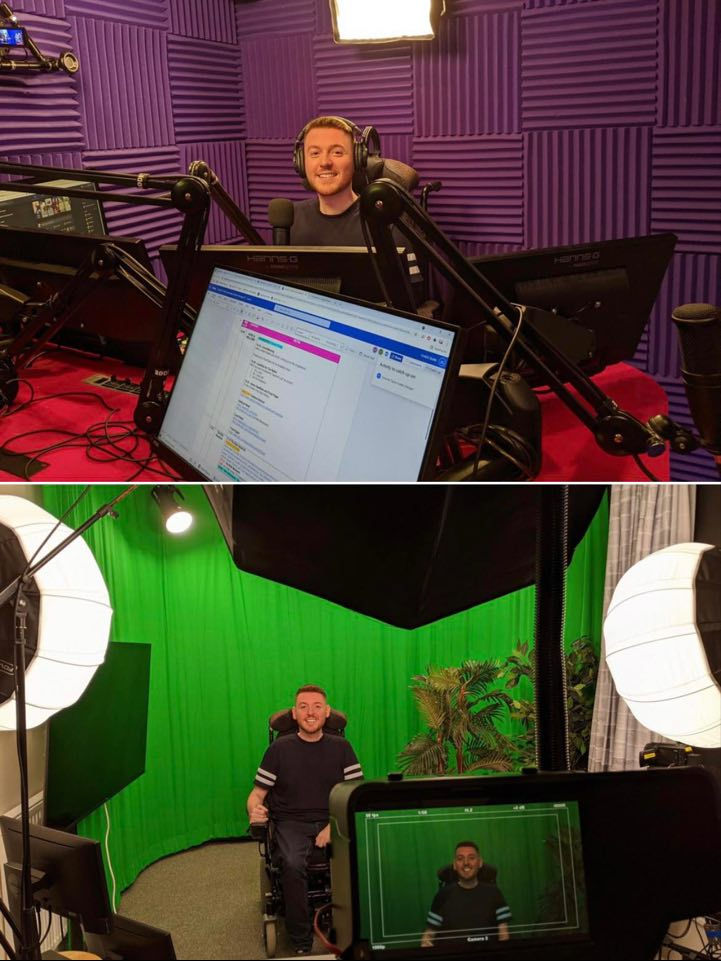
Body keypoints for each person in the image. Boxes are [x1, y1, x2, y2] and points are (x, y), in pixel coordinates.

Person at [247, 684, 363, 955]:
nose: (310, 713)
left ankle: (352, 927)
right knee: (291, 862)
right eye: (303, 707)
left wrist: (332, 827)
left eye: (317, 707)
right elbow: (257, 794)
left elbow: (355, 794)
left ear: (327, 712)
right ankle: (301, 939)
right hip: (290, 822)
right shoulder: (279, 749)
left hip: (331, 819)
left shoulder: (342, 748)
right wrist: (255, 809)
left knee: (357, 858)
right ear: (294, 714)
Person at [289, 115, 380, 246]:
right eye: (315, 153)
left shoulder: (384, 222)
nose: (325, 162)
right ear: (301, 163)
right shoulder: (291, 219)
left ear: (357, 159)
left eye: (337, 152)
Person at [420, 841, 511, 947]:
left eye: (471, 858)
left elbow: (504, 934)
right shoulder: (442, 895)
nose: (466, 863)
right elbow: (429, 934)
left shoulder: (494, 893)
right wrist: (426, 943)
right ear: (454, 865)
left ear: (480, 862)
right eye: (460, 859)